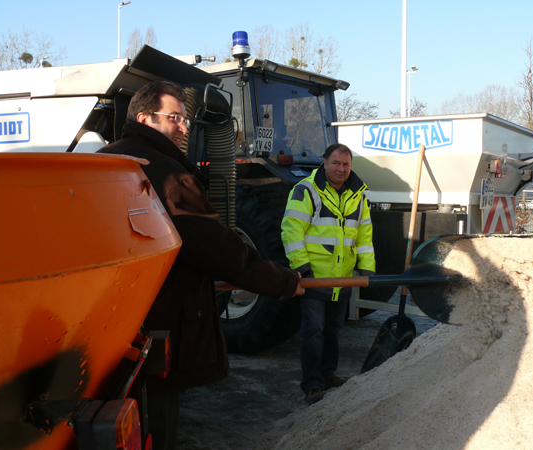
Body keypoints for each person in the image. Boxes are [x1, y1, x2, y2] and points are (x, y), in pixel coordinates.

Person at [98, 80, 304, 449]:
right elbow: (219, 249)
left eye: (186, 119)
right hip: (158, 327)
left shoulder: (107, 159)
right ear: (144, 118)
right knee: (153, 423)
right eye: (174, 117)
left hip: (109, 323)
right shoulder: (166, 173)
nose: (184, 127)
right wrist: (282, 282)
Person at [281, 143, 375, 406]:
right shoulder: (306, 190)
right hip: (315, 278)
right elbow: (291, 230)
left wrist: (367, 269)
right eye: (336, 163)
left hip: (342, 279)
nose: (341, 169)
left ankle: (327, 375)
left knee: (333, 331)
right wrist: (302, 269)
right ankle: (312, 385)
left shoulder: (359, 196)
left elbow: (364, 237)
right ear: (324, 163)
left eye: (346, 164)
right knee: (313, 333)